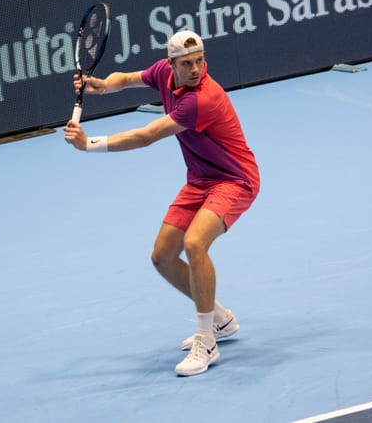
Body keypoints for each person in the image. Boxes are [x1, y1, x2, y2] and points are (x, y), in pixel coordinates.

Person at [64, 30, 260, 376]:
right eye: (187, 63)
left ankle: (207, 340)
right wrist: (103, 85)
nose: (196, 68)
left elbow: (146, 136)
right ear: (172, 64)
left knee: (195, 243)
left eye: (199, 60)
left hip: (235, 180)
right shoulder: (162, 73)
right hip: (200, 180)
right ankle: (220, 319)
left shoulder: (202, 99)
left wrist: (88, 143)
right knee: (162, 256)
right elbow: (126, 79)